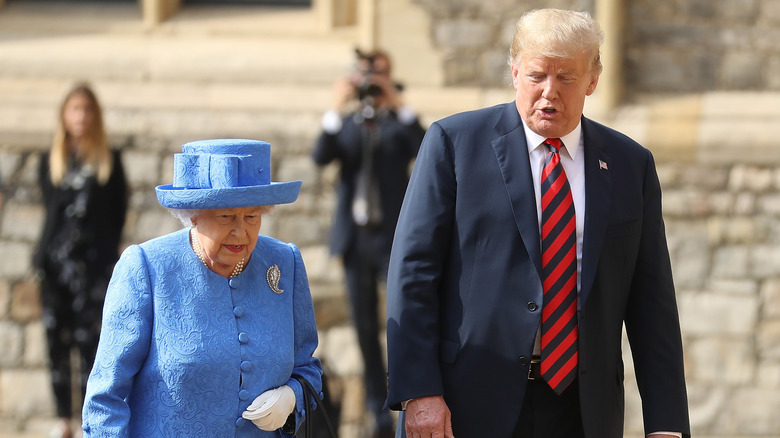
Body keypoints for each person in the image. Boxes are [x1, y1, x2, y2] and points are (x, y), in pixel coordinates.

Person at [385, 8, 690, 438]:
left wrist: (667, 424)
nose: (549, 92)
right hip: (465, 404)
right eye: (536, 75)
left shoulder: (629, 165)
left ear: (593, 80)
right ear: (514, 72)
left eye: (566, 78)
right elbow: (412, 276)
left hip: (581, 411)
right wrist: (418, 393)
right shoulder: (454, 145)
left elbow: (652, 302)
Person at [81, 139, 322, 437]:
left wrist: (292, 398)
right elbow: (105, 399)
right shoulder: (145, 268)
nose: (240, 231)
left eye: (252, 216)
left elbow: (308, 369)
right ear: (193, 213)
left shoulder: (285, 263)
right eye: (225, 216)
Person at [312, 48, 425, 438]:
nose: (370, 85)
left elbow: (423, 147)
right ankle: (378, 408)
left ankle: (403, 400)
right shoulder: (346, 125)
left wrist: (396, 100)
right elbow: (321, 154)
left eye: (377, 77)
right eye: (366, 77)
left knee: (401, 320)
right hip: (355, 240)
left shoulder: (399, 125)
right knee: (363, 327)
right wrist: (335, 104)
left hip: (393, 239)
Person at [32, 83, 128, 438]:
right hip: (56, 266)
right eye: (75, 109)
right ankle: (64, 420)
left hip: (94, 268)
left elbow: (117, 214)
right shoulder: (51, 159)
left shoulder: (109, 160)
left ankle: (93, 418)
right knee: (57, 341)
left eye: (87, 109)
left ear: (96, 115)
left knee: (94, 343)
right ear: (64, 115)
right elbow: (51, 214)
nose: (81, 116)